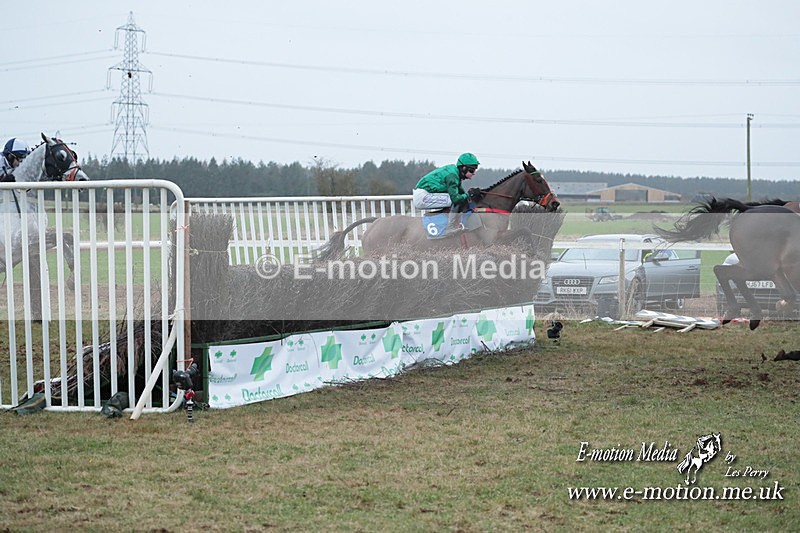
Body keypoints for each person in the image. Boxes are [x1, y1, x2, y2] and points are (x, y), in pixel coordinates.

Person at [412, 152, 484, 232]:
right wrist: (468, 195)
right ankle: (450, 227)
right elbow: (456, 199)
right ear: (463, 168)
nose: (474, 173)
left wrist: (471, 194)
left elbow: (462, 193)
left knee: (458, 199)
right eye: (472, 170)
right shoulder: (452, 175)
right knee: (454, 200)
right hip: (422, 197)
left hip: (425, 194)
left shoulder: (455, 173)